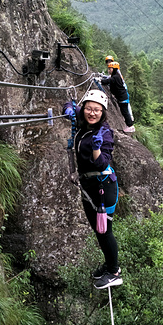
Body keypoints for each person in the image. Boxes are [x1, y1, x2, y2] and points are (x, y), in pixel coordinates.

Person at [63, 89, 122, 290]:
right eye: (89, 109)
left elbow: (102, 163)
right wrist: (70, 109)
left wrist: (96, 149)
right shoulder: (84, 120)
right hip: (88, 187)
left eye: (97, 110)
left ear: (103, 112)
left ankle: (114, 272)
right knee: (98, 232)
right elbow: (70, 107)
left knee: (105, 232)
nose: (92, 113)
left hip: (103, 188)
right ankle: (108, 264)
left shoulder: (104, 133)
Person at [100, 61, 135, 133]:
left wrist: (101, 81)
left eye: (110, 69)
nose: (109, 70)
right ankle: (129, 125)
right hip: (122, 97)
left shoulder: (115, 77)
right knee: (124, 111)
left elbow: (107, 81)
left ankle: (130, 126)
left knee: (125, 112)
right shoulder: (116, 76)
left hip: (122, 98)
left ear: (114, 69)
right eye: (108, 69)